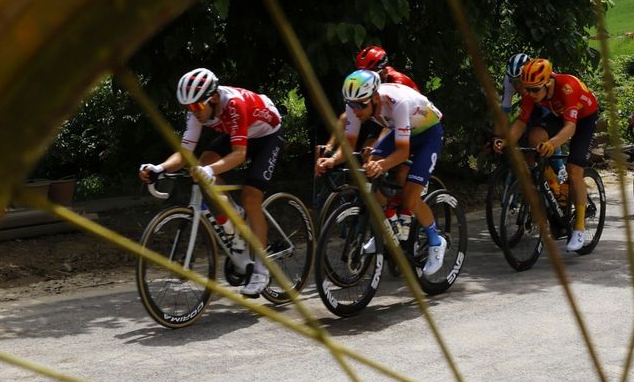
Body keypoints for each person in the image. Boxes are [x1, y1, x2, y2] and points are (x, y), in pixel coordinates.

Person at [139, 67, 283, 297]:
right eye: (188, 107)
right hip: (243, 132)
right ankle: (234, 217)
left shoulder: (234, 105)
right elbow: (185, 153)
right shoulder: (198, 110)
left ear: (213, 98)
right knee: (202, 162)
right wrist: (159, 168)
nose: (193, 112)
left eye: (196, 106)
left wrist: (209, 170)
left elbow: (238, 155)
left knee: (251, 196)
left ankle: (261, 269)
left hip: (267, 136)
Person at [316, 68, 449, 277]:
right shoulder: (355, 103)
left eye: (360, 105)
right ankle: (388, 222)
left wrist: (383, 165)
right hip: (404, 130)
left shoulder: (398, 103)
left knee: (410, 197)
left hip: (428, 133)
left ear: (375, 98)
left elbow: (403, 151)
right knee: (370, 166)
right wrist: (332, 159)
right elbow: (349, 145)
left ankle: (436, 241)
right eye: (351, 104)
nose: (355, 110)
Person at [502, 58, 600, 252]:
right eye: (527, 90)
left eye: (534, 90)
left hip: (583, 119)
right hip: (559, 114)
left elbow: (571, 127)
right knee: (534, 136)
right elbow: (521, 122)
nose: (529, 94)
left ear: (548, 83)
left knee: (574, 171)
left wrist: (552, 144)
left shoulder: (567, 87)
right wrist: (506, 141)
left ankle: (579, 227)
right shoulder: (533, 90)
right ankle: (555, 187)